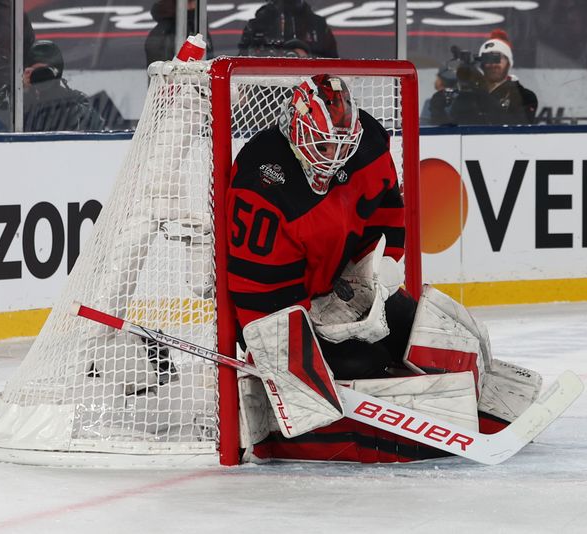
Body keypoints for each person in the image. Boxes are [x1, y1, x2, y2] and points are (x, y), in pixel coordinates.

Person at [227, 74, 542, 463]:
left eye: (342, 143)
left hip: (339, 288)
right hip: (282, 316)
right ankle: (303, 431)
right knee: (368, 362)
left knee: (429, 328)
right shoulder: (263, 183)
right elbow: (256, 293)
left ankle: (474, 407)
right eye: (324, 143)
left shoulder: (368, 144)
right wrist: (310, 336)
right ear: (296, 130)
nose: (334, 155)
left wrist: (385, 263)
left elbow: (387, 208)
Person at [0, 40, 105, 132]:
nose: (41, 78)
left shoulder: (75, 101)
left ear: (57, 73)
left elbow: (94, 129)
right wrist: (21, 91)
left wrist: (53, 96)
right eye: (35, 72)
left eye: (44, 72)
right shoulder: (12, 98)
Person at [238, 0, 338, 58]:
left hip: (310, 82)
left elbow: (334, 65)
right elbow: (241, 65)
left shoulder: (318, 26)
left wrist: (307, 58)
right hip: (266, 83)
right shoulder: (256, 26)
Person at [477, 30, 538, 125]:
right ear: (481, 63)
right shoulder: (473, 94)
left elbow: (518, 126)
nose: (493, 64)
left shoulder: (525, 96)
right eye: (487, 58)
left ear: (509, 63)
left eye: (497, 58)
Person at [144, 0, 213, 66]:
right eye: (192, 1)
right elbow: (162, 75)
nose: (196, 4)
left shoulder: (197, 27)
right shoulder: (167, 34)